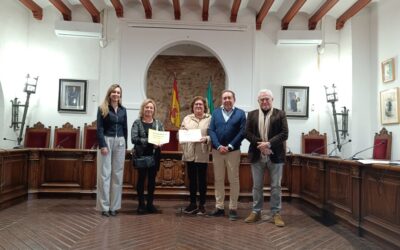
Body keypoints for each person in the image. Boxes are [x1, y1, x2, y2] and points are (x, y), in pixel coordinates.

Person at [244, 89, 288, 227]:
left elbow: (284, 133)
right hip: (257, 154)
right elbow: (247, 133)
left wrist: (269, 144)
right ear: (258, 101)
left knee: (276, 186)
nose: (264, 101)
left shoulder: (280, 114)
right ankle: (256, 211)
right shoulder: (251, 114)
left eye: (267, 99)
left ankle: (276, 213)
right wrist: (261, 145)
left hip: (276, 155)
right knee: (257, 186)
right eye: (262, 99)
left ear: (272, 99)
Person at [208, 90, 246, 221]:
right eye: (224, 98)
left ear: (234, 99)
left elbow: (242, 132)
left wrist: (229, 146)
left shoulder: (240, 113)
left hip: (233, 152)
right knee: (218, 179)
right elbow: (211, 130)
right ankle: (219, 207)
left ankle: (233, 208)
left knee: (233, 180)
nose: (227, 100)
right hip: (217, 151)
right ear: (221, 100)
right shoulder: (216, 113)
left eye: (229, 98)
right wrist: (218, 145)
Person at [96, 84, 128, 217]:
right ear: (110, 94)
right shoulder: (102, 108)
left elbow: (125, 128)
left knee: (118, 175)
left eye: (118, 93)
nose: (116, 94)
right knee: (105, 175)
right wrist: (102, 144)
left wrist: (125, 145)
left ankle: (114, 207)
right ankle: (104, 207)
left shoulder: (123, 110)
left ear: (120, 95)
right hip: (107, 141)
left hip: (120, 142)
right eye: (114, 92)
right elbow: (99, 128)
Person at [131, 99, 164, 214]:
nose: (149, 109)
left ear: (154, 110)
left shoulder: (158, 123)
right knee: (141, 180)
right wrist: (150, 141)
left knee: (151, 181)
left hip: (155, 155)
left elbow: (162, 137)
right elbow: (134, 139)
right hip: (141, 155)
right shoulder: (137, 122)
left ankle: (150, 204)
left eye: (151, 108)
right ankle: (141, 205)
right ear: (143, 109)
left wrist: (160, 143)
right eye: (147, 107)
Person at [180, 96, 211, 215]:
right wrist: (181, 136)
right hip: (189, 153)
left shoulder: (210, 119)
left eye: (200, 105)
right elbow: (180, 133)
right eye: (196, 105)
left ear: (204, 107)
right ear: (192, 107)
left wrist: (207, 138)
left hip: (202, 153)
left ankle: (202, 204)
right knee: (192, 180)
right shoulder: (187, 118)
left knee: (202, 180)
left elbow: (213, 134)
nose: (198, 106)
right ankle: (192, 203)